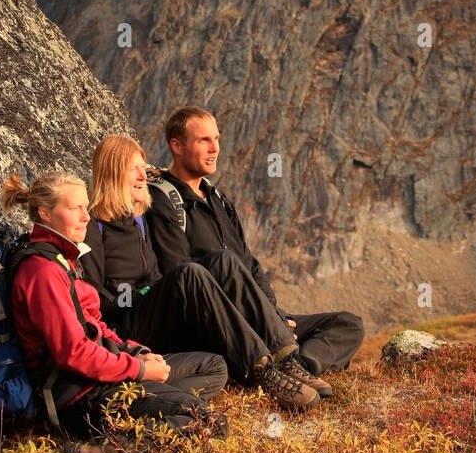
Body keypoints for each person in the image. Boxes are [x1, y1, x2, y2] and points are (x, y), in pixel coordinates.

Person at [80, 135, 323, 411]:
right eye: (134, 168)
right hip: (125, 327)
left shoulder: (138, 221)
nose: (143, 175)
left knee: (224, 261)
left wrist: (156, 291)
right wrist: (143, 296)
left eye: (144, 167)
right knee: (190, 274)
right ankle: (262, 371)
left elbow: (155, 276)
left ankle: (285, 358)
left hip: (154, 317)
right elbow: (94, 299)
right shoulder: (93, 224)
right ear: (113, 172)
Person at [0, 169, 227, 441]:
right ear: (45, 213)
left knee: (215, 366)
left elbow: (94, 327)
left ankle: (155, 410)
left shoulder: (63, 259)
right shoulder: (42, 272)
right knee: (209, 422)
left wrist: (136, 352)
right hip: (82, 395)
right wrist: (139, 371)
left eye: (86, 207)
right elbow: (73, 354)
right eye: (76, 209)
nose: (86, 216)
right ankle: (103, 451)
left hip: (105, 375)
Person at [147, 108, 364, 385]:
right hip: (223, 325)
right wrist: (261, 324)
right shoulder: (164, 201)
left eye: (217, 138)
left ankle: (299, 363)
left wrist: (273, 316)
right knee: (223, 261)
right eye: (204, 140)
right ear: (176, 145)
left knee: (347, 324)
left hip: (261, 318)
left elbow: (250, 265)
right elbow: (181, 277)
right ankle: (282, 358)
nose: (215, 148)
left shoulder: (219, 200)